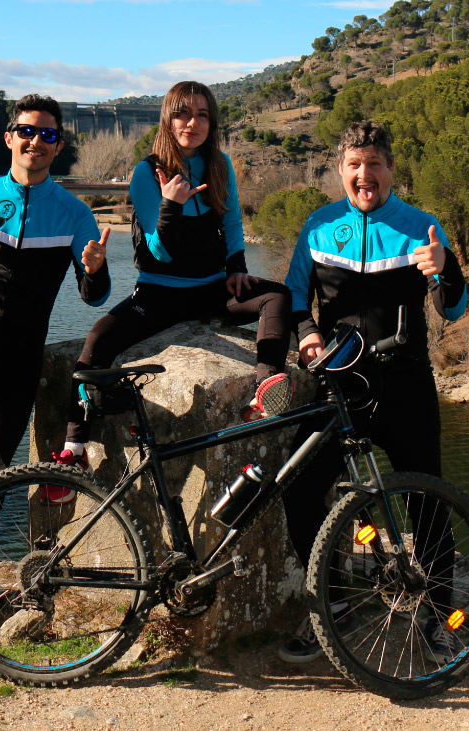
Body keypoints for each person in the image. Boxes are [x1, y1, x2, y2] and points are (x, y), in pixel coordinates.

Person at [277, 121, 468, 664]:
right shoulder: (318, 227)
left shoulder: (421, 228)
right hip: (337, 385)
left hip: (404, 384)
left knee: (426, 504)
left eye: (375, 164)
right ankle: (333, 607)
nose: (365, 175)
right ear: (341, 171)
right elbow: (296, 294)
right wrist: (307, 331)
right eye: (355, 165)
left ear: (390, 170)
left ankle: (442, 619)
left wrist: (446, 269)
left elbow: (453, 307)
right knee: (300, 490)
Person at [55, 81, 292, 469]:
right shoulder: (147, 172)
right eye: (183, 113)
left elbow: (232, 220)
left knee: (277, 295)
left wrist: (236, 268)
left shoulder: (219, 164)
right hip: (159, 294)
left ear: (211, 122)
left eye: (202, 115)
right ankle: (74, 451)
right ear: (168, 119)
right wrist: (170, 205)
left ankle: (265, 384)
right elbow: (159, 253)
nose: (192, 123)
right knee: (97, 340)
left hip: (214, 288)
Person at [0, 93, 111, 495]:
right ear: (9, 138)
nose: (36, 141)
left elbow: (94, 297)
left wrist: (96, 269)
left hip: (22, 351)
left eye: (47, 134)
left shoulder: (74, 213)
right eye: (26, 131)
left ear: (58, 147)